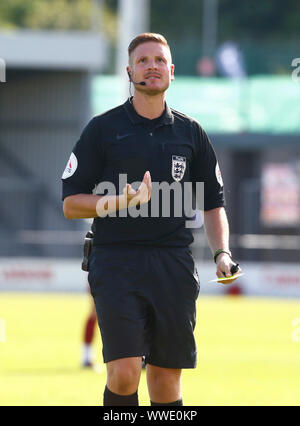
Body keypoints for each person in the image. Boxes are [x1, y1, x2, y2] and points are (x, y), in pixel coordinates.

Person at [62, 33, 241, 406]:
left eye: (159, 60)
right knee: (125, 372)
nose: (152, 66)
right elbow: (71, 203)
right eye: (143, 61)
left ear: (172, 71)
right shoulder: (103, 128)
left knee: (164, 382)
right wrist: (117, 202)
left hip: (173, 264)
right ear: (129, 72)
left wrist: (222, 252)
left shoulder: (191, 133)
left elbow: (213, 202)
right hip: (115, 260)